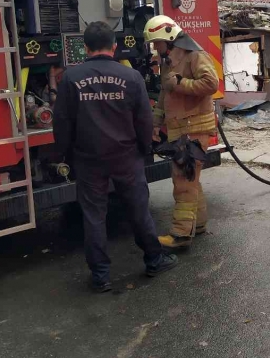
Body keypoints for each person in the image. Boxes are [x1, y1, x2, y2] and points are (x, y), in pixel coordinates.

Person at [53, 22, 177, 293]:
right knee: (138, 210)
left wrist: (63, 153)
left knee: (94, 216)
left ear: (85, 48)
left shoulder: (71, 79)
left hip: (88, 158)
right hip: (126, 156)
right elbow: (144, 119)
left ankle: (100, 276)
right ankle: (154, 259)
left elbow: (61, 122)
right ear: (114, 46)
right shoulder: (131, 77)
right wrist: (145, 149)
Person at [145, 15, 219, 253]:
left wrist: (180, 83)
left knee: (183, 181)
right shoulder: (169, 60)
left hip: (194, 128)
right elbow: (165, 96)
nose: (155, 48)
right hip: (181, 129)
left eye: (157, 42)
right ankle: (197, 225)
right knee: (191, 179)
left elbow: (211, 84)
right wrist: (156, 123)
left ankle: (180, 235)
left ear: (168, 36)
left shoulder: (194, 55)